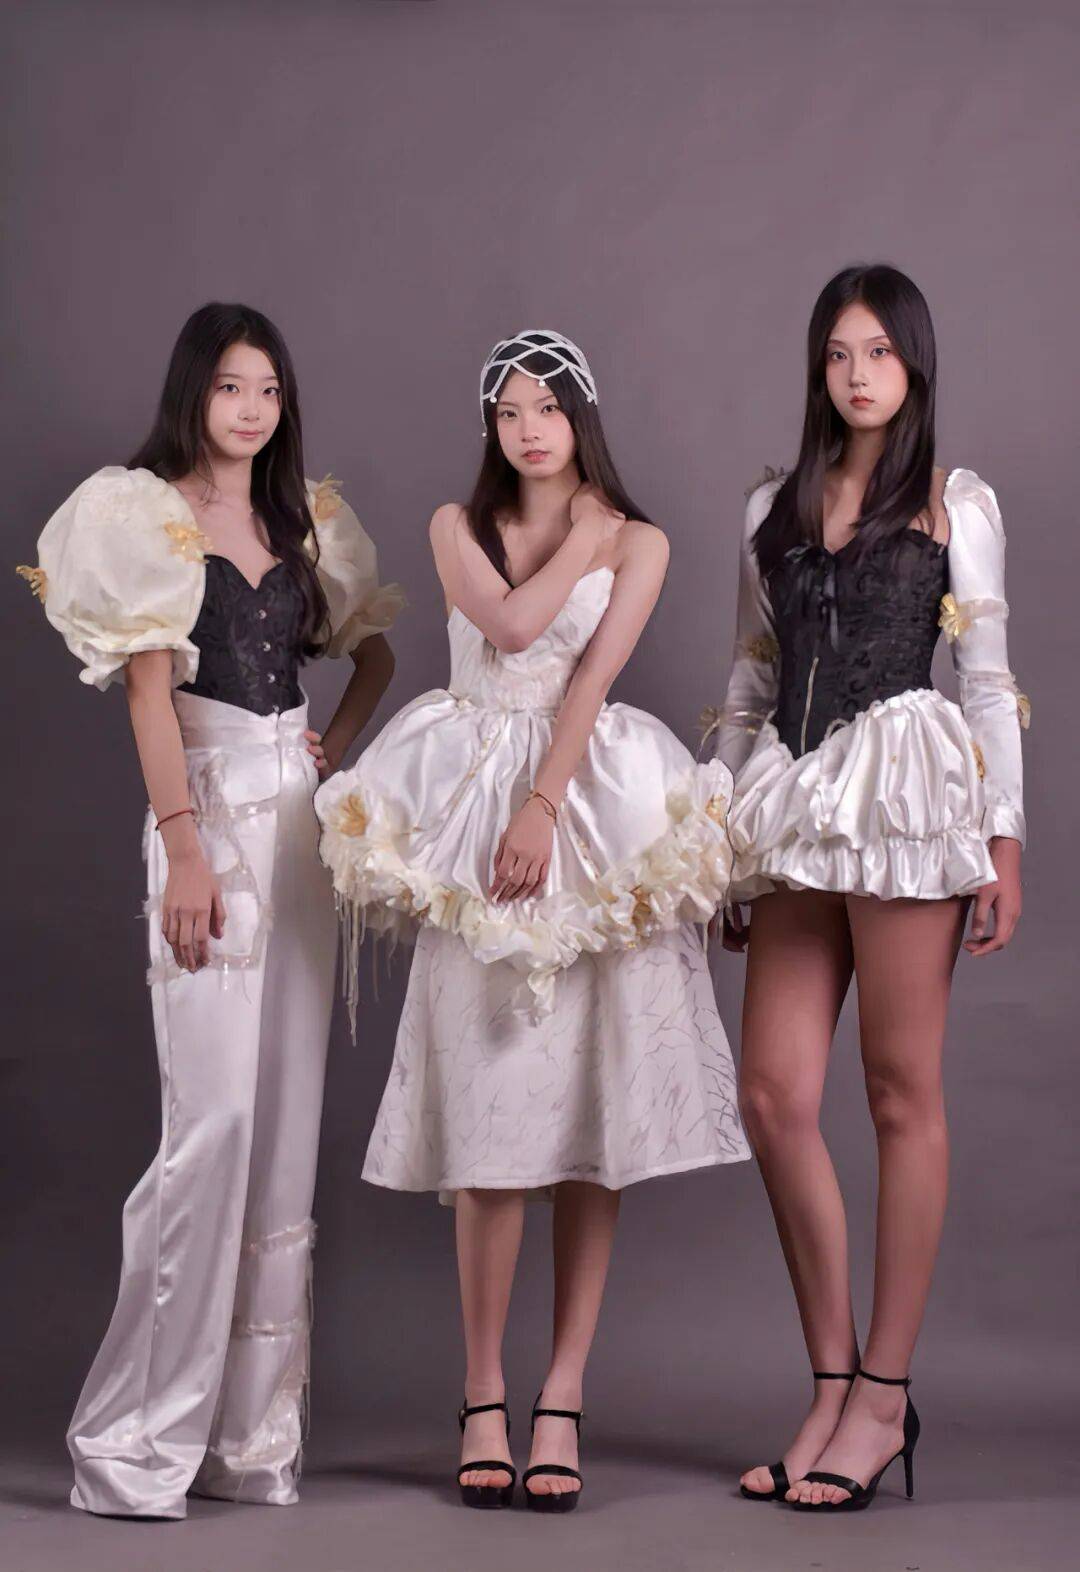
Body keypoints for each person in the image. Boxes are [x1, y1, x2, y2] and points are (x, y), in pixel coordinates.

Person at [315, 329, 749, 1512]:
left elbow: (590, 677)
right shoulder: (457, 527)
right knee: (490, 1115)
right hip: (468, 805)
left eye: (548, 407)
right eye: (508, 411)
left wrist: (546, 803)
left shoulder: (643, 540)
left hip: (588, 802)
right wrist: (587, 541)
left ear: (581, 415)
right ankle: (482, 1394)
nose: (529, 429)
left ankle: (562, 1394)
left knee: (593, 1116)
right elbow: (511, 631)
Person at [17, 302, 402, 1518]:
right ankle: (137, 1445)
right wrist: (184, 846)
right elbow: (148, 697)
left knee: (285, 1131)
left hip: (299, 831)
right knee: (216, 1120)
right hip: (207, 821)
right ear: (193, 391)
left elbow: (373, 656)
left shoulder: (303, 524)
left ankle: (248, 1441)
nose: (251, 409)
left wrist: (330, 747)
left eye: (269, 390)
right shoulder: (143, 516)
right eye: (232, 386)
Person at [707, 265, 1026, 1512]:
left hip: (903, 798)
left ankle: (885, 1400)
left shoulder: (956, 502)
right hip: (794, 801)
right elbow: (750, 675)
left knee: (900, 1091)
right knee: (773, 1093)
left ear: (914, 364)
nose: (857, 374)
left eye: (879, 352)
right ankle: (833, 1382)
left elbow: (986, 680)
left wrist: (1004, 839)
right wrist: (722, 836)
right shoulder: (769, 507)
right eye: (839, 353)